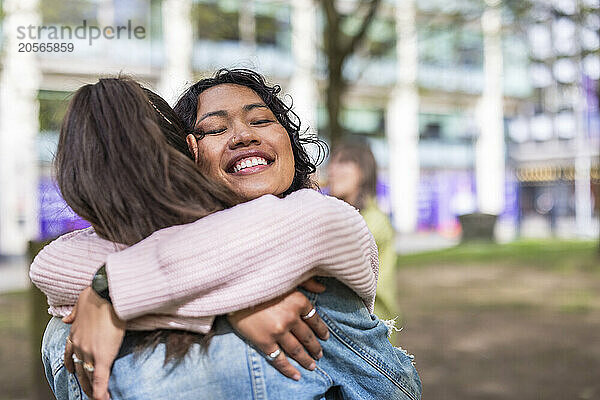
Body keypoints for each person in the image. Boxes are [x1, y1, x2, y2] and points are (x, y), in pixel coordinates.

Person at [31, 71, 421, 400]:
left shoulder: (66, 325)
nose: (243, 135)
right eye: (215, 128)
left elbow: (56, 266)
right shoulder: (305, 297)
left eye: (263, 120)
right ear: (189, 156)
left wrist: (109, 291)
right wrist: (229, 306)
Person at [327, 141, 398, 329]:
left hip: (371, 325)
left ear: (363, 172)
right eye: (332, 163)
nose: (333, 170)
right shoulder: (345, 216)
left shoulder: (372, 221)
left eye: (343, 163)